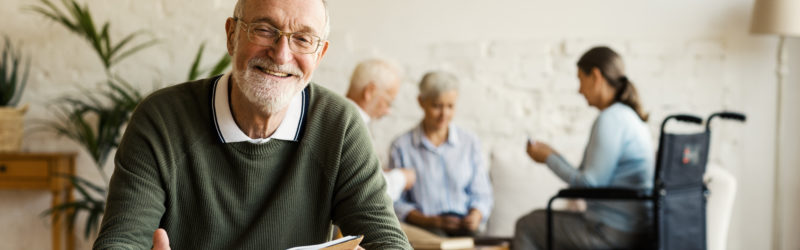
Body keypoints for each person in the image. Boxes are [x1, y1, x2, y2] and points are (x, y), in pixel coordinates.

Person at [92, 0, 411, 249]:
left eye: (302, 38)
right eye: (264, 29)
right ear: (232, 36)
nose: (281, 54)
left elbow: (387, 241)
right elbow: (120, 241)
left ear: (320, 54)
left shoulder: (339, 125)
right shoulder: (161, 118)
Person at [513, 46, 654, 250]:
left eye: (581, 79)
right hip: (633, 228)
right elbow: (589, 179)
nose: (579, 90)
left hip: (612, 232)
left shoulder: (611, 119)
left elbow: (589, 184)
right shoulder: (629, 117)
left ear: (596, 76)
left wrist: (548, 159)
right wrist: (554, 155)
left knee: (527, 225)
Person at [388, 71, 493, 237]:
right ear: (421, 102)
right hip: (425, 228)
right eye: (437, 106)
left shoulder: (469, 142)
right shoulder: (401, 146)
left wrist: (476, 214)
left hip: (465, 226)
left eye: (450, 106)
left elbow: (482, 193)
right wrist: (432, 221)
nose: (444, 114)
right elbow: (395, 202)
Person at [345, 59, 416, 201]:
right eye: (388, 102)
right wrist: (402, 178)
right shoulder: (352, 127)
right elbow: (368, 192)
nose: (388, 111)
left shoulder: (338, 117)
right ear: (369, 91)